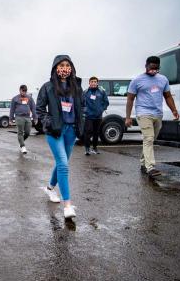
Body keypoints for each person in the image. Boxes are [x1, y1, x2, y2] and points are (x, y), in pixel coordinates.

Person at [36, 55, 83, 220]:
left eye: (68, 65)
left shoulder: (76, 86)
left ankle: (49, 188)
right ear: (56, 68)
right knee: (63, 164)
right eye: (61, 65)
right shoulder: (47, 87)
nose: (65, 68)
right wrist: (48, 122)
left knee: (62, 163)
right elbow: (39, 109)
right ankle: (67, 205)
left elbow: (80, 107)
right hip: (55, 131)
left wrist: (80, 126)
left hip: (71, 130)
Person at [125, 56, 179, 178]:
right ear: (146, 66)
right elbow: (130, 99)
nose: (153, 70)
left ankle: (144, 163)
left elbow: (168, 96)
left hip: (158, 114)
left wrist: (174, 110)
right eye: (151, 68)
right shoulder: (137, 80)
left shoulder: (163, 79)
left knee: (150, 140)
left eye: (156, 68)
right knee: (149, 138)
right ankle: (151, 167)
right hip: (143, 113)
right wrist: (128, 117)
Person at [83, 77, 109, 155]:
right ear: (89, 83)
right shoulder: (85, 92)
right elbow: (82, 103)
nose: (93, 83)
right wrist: (85, 111)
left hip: (98, 116)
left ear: (97, 83)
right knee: (88, 132)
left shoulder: (102, 92)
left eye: (95, 82)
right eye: (92, 81)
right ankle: (87, 149)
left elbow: (106, 102)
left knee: (96, 133)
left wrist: (101, 109)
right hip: (88, 116)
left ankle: (94, 148)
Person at [9, 84, 38, 154]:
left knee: (28, 132)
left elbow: (33, 108)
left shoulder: (30, 98)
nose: (23, 93)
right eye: (22, 91)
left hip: (27, 117)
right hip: (19, 117)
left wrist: (35, 118)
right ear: (20, 90)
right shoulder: (15, 98)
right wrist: (10, 119)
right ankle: (23, 146)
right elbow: (12, 109)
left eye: (25, 91)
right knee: (20, 132)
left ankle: (21, 142)